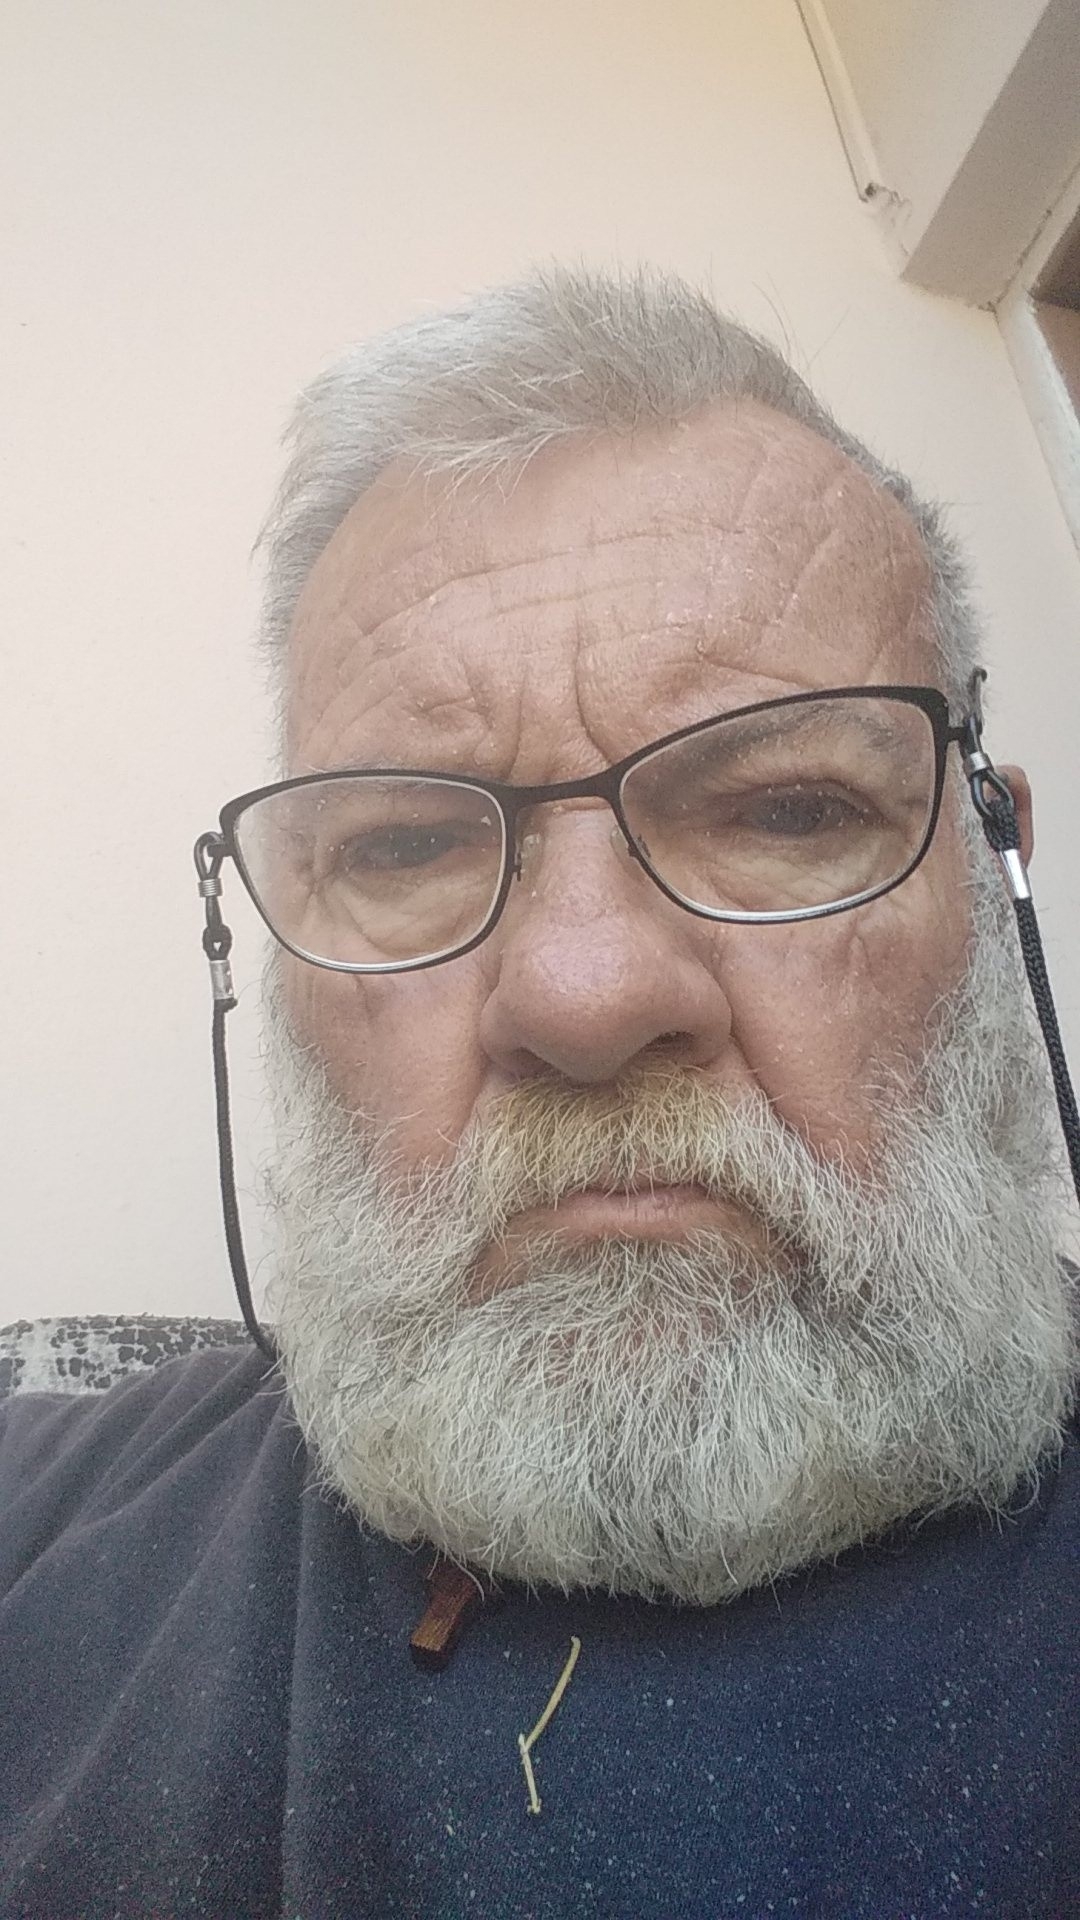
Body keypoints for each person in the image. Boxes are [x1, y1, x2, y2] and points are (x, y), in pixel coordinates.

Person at [1, 265, 1077, 1919]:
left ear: (990, 864)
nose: (583, 994)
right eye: (405, 845)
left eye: (786, 810)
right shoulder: (35, 1531)